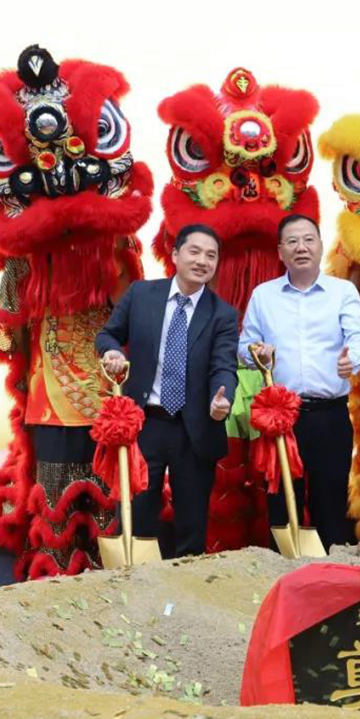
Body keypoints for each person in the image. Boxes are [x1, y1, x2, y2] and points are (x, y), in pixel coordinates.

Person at [97, 224, 239, 558]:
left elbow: (223, 366)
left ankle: (185, 584)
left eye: (211, 255)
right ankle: (134, 580)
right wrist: (112, 352)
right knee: (137, 516)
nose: (202, 261)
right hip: (145, 423)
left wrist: (223, 399)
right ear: (175, 254)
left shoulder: (223, 314)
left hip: (195, 429)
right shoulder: (141, 294)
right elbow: (107, 334)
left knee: (192, 524)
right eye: (194, 251)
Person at [238, 213, 360, 548]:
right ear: (280, 251)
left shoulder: (342, 292)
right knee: (281, 504)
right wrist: (256, 352)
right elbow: (244, 346)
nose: (301, 247)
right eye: (292, 241)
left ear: (320, 246)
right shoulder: (264, 295)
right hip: (281, 418)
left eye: (309, 240)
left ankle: (332, 571)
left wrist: (352, 359)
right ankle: (283, 571)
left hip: (330, 415)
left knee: (331, 502)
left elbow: (359, 336)